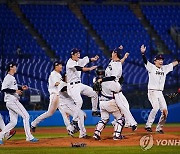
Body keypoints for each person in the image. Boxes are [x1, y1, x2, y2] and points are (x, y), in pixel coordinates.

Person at [97, 46, 137, 131]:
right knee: (123, 105)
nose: (111, 53)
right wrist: (124, 56)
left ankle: (127, 122)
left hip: (113, 85)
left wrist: (102, 79)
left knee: (123, 105)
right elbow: (120, 61)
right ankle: (130, 123)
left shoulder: (117, 65)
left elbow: (112, 77)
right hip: (110, 86)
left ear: (115, 54)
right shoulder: (113, 61)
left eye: (113, 52)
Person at [141, 45, 179, 134]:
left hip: (160, 93)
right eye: (159, 59)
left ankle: (159, 128)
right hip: (152, 91)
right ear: (155, 61)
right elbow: (145, 61)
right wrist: (143, 53)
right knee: (156, 107)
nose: (161, 61)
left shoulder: (164, 68)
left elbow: (173, 64)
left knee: (165, 111)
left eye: (162, 60)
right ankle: (148, 125)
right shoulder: (151, 67)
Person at [0, 62, 38, 145]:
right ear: (11, 68)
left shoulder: (12, 77)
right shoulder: (8, 77)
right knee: (26, 116)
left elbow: (13, 88)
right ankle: (29, 137)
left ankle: (0, 135)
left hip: (10, 101)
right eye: (15, 66)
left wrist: (21, 88)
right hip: (12, 100)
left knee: (13, 122)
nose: (16, 67)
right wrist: (15, 91)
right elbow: (3, 89)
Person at [66, 48, 100, 120]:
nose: (79, 55)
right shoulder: (70, 62)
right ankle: (74, 120)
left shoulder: (78, 61)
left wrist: (93, 59)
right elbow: (79, 68)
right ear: (72, 55)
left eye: (79, 53)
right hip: (72, 86)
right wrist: (89, 69)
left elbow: (86, 60)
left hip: (79, 84)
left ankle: (94, 111)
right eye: (77, 53)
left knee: (94, 93)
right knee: (79, 102)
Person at [93, 66, 125, 140]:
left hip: (101, 102)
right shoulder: (109, 81)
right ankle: (117, 135)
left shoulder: (95, 80)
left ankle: (96, 133)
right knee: (120, 118)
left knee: (104, 119)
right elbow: (118, 89)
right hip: (110, 102)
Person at [31, 61, 63, 132]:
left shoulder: (58, 74)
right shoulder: (53, 74)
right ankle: (34, 123)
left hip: (60, 96)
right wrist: (65, 82)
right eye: (60, 65)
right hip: (55, 95)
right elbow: (57, 83)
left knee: (64, 112)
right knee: (49, 113)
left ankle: (70, 128)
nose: (61, 66)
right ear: (56, 66)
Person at [58, 74, 88, 138]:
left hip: (70, 105)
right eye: (66, 77)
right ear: (63, 78)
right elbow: (63, 89)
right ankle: (82, 133)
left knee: (83, 115)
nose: (68, 78)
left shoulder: (69, 84)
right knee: (81, 115)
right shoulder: (62, 84)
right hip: (66, 105)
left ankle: (72, 129)